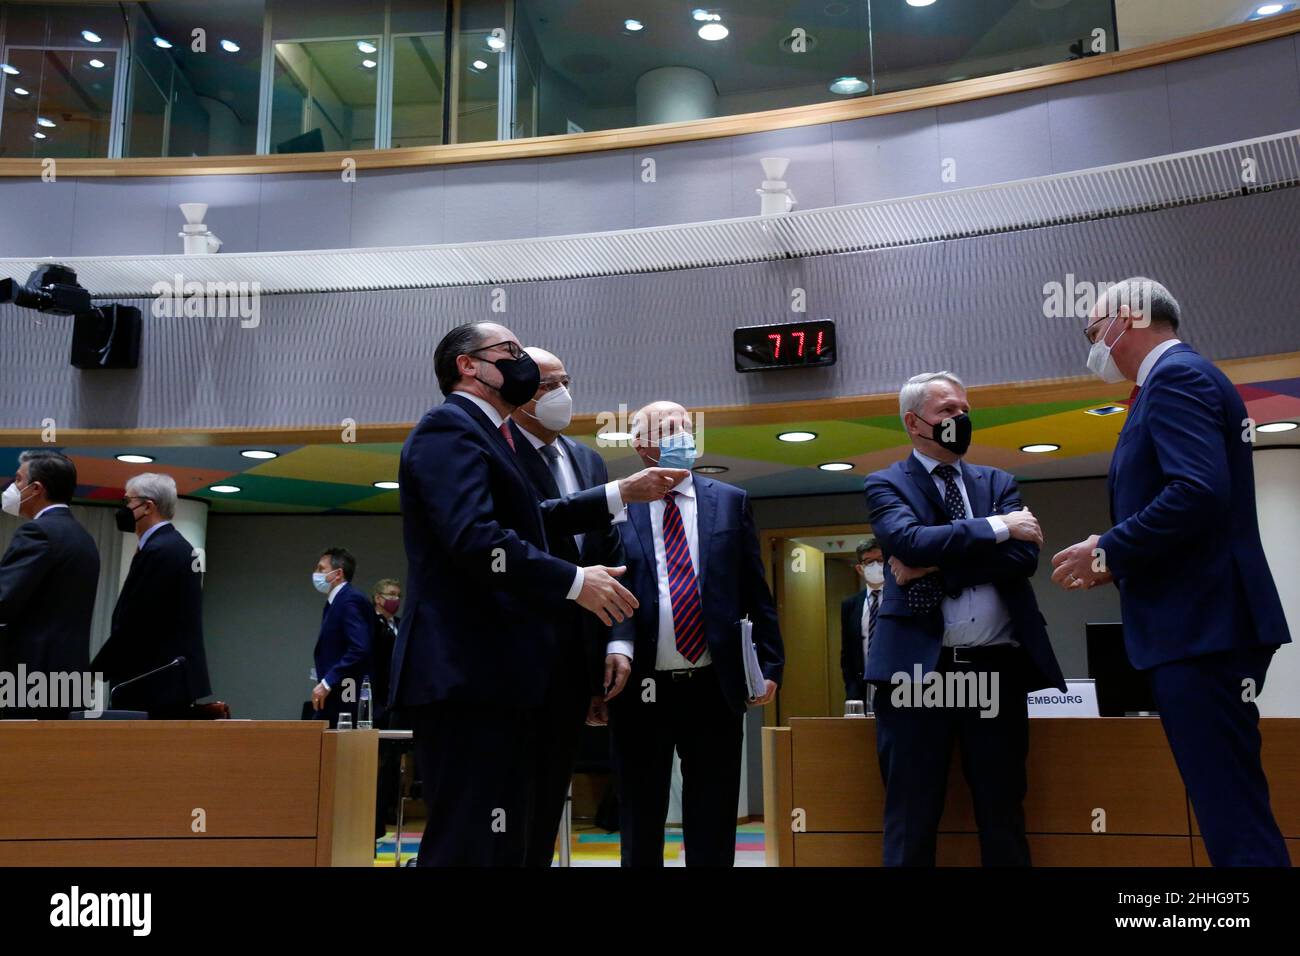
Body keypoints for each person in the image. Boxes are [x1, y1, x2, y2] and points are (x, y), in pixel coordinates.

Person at [390, 321, 685, 867]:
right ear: (469, 365)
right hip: (467, 673)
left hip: (507, 676)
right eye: (512, 351)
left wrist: (617, 492)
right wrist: (576, 582)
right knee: (469, 840)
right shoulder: (448, 428)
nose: (522, 362)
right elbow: (475, 538)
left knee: (516, 837)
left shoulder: (489, 433)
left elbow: (535, 517)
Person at [1051, 278, 1291, 867]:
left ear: (1127, 320)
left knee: (1230, 811)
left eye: (1093, 332)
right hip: (1202, 624)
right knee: (1229, 802)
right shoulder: (1174, 381)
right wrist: (1119, 559)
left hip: (1200, 627)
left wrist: (1108, 549)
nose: (1092, 347)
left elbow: (1196, 492)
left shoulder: (1176, 378)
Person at [864, 371, 1065, 867]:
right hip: (917, 675)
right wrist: (999, 527)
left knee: (1003, 813)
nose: (961, 419)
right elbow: (906, 541)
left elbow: (1023, 560)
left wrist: (934, 564)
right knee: (912, 817)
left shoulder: (998, 481)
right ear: (914, 423)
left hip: (995, 671)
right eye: (948, 411)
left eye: (964, 410)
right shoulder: (886, 483)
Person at [606, 401, 784, 867]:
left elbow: (755, 589)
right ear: (642, 445)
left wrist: (768, 664)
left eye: (687, 425)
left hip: (713, 683)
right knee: (641, 816)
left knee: (714, 814)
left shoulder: (729, 500)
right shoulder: (615, 506)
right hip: (640, 685)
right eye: (668, 428)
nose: (682, 434)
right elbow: (602, 597)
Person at [507, 346, 632, 867]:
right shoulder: (496, 452)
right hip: (512, 660)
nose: (560, 395)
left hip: (573, 664)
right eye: (544, 386)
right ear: (514, 394)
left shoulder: (586, 459)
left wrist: (614, 642)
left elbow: (608, 555)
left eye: (564, 382)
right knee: (503, 806)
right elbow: (519, 536)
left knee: (545, 803)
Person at [93, 473, 210, 715]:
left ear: (147, 506)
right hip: (161, 680)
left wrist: (95, 672)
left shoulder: (161, 550)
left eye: (128, 501)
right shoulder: (174, 546)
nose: (124, 508)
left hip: (152, 682)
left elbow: (136, 619)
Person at [0, 450, 99, 718]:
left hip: (30, 678)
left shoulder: (37, 532)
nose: (12, 487)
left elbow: (3, 601)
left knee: (18, 758)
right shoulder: (84, 539)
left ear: (36, 489)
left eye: (18, 480)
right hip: (69, 677)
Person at [310, 547, 374, 729]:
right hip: (341, 690)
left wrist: (328, 682)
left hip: (347, 690)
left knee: (340, 749)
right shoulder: (336, 601)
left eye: (321, 569)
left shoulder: (349, 601)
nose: (316, 574)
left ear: (337, 574)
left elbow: (359, 648)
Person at [370, 578, 403, 841]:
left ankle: (386, 814)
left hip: (396, 704)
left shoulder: (399, 625)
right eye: (391, 594)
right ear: (378, 598)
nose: (396, 599)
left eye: (399, 595)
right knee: (375, 767)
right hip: (377, 701)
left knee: (391, 766)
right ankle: (372, 823)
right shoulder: (373, 625)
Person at [840, 537, 884, 709]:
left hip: (897, 686)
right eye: (869, 562)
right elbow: (847, 654)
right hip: (861, 689)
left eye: (880, 560)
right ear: (860, 568)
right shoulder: (850, 605)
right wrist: (851, 692)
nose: (875, 566)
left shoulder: (901, 600)